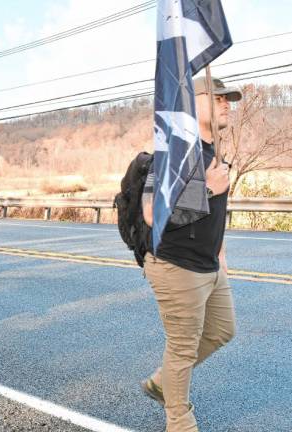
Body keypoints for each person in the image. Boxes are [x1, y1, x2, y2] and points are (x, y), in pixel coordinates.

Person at [140, 76, 241, 431]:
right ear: (192, 103)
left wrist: (220, 250)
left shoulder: (217, 154)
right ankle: (180, 423)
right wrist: (208, 190)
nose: (227, 103)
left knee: (223, 330)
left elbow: (218, 212)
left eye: (229, 99)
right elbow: (152, 212)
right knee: (182, 349)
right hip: (176, 263)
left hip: (209, 264)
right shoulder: (174, 149)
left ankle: (161, 381)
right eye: (218, 97)